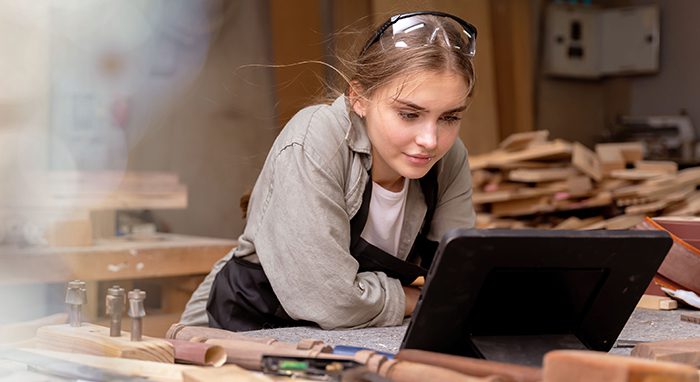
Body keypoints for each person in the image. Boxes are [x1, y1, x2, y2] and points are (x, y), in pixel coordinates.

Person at [180, 10, 478, 331]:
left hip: (342, 338)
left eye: (449, 118)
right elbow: (329, 300)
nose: (430, 141)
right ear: (359, 97)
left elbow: (458, 280)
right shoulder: (317, 137)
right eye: (409, 114)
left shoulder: (449, 159)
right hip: (234, 329)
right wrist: (410, 298)